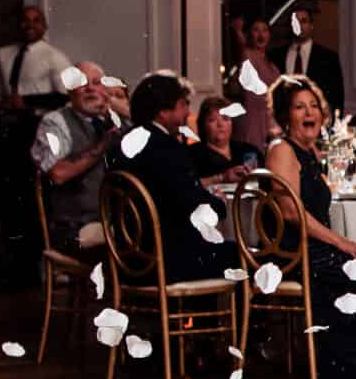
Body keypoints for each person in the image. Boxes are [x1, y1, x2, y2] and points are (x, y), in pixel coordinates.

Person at [263, 76, 356, 379]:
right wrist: (341, 243)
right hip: (294, 252)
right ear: (284, 114)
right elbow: (292, 212)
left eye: (313, 106)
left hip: (313, 247)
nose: (309, 113)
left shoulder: (313, 153)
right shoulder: (282, 150)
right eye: (299, 107)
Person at [107, 71, 229, 281]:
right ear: (163, 112)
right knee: (241, 255)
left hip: (128, 259)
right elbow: (193, 204)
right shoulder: (168, 149)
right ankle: (213, 314)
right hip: (168, 263)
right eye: (184, 104)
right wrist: (220, 204)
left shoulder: (121, 144)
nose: (188, 111)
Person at [32, 60, 125, 250]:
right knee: (133, 238)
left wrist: (123, 110)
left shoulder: (117, 120)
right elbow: (58, 174)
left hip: (118, 219)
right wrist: (100, 148)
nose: (90, 89)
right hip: (76, 227)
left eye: (97, 83)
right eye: (82, 84)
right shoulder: (55, 122)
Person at [0, 4, 73, 113]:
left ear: (45, 26)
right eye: (25, 20)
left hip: (39, 122)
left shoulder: (55, 57)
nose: (30, 25)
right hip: (7, 121)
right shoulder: (2, 54)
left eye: (36, 20)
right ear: (18, 25)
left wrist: (27, 101)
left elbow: (66, 96)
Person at [274, 0, 346, 115]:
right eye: (295, 22)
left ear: (311, 25)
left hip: (318, 119)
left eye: (303, 21)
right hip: (285, 118)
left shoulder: (328, 57)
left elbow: (337, 96)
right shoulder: (277, 56)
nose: (299, 26)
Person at [229, 16, 280, 150]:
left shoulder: (272, 65)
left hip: (269, 121)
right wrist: (238, 31)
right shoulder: (247, 55)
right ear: (249, 34)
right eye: (256, 30)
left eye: (264, 30)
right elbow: (242, 48)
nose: (261, 34)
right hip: (252, 120)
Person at [189, 98, 259, 185]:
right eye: (212, 120)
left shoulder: (249, 149)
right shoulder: (192, 154)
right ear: (203, 125)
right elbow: (187, 186)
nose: (220, 124)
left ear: (232, 123)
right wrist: (221, 178)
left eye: (225, 119)